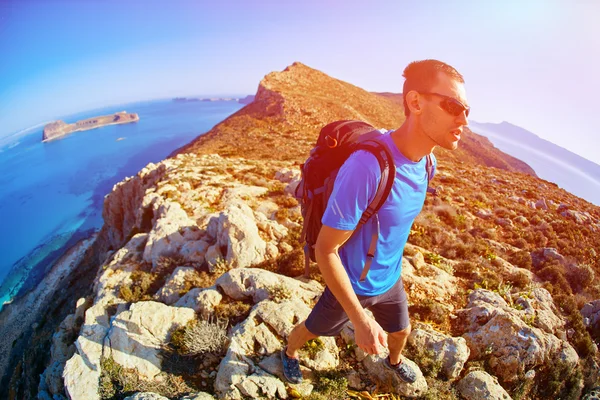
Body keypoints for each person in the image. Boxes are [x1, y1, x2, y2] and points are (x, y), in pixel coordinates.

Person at [280, 59, 470, 384]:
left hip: (390, 278)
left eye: (466, 109)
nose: (463, 118)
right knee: (314, 329)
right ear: (415, 102)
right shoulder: (368, 167)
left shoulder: (428, 163)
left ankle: (393, 363)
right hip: (352, 283)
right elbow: (326, 250)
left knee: (402, 330)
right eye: (453, 105)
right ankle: (289, 352)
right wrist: (359, 319)